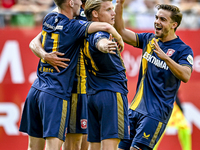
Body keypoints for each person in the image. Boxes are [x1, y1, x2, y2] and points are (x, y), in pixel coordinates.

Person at [19, 0, 124, 150]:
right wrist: (45, 55)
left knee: (77, 143)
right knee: (61, 143)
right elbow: (34, 41)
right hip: (60, 87)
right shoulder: (72, 18)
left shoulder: (55, 16)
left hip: (79, 86)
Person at [114, 1, 194, 150]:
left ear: (174, 25)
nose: (157, 22)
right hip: (135, 109)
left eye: (163, 19)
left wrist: (166, 59)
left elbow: (186, 75)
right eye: (157, 18)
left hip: (155, 114)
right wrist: (119, 4)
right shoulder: (149, 39)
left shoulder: (183, 50)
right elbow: (121, 31)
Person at [82, 0, 130, 149]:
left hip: (92, 95)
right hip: (111, 95)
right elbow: (100, 41)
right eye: (108, 9)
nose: (113, 12)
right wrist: (104, 45)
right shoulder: (102, 34)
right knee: (110, 146)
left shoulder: (83, 31)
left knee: (94, 146)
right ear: (95, 14)